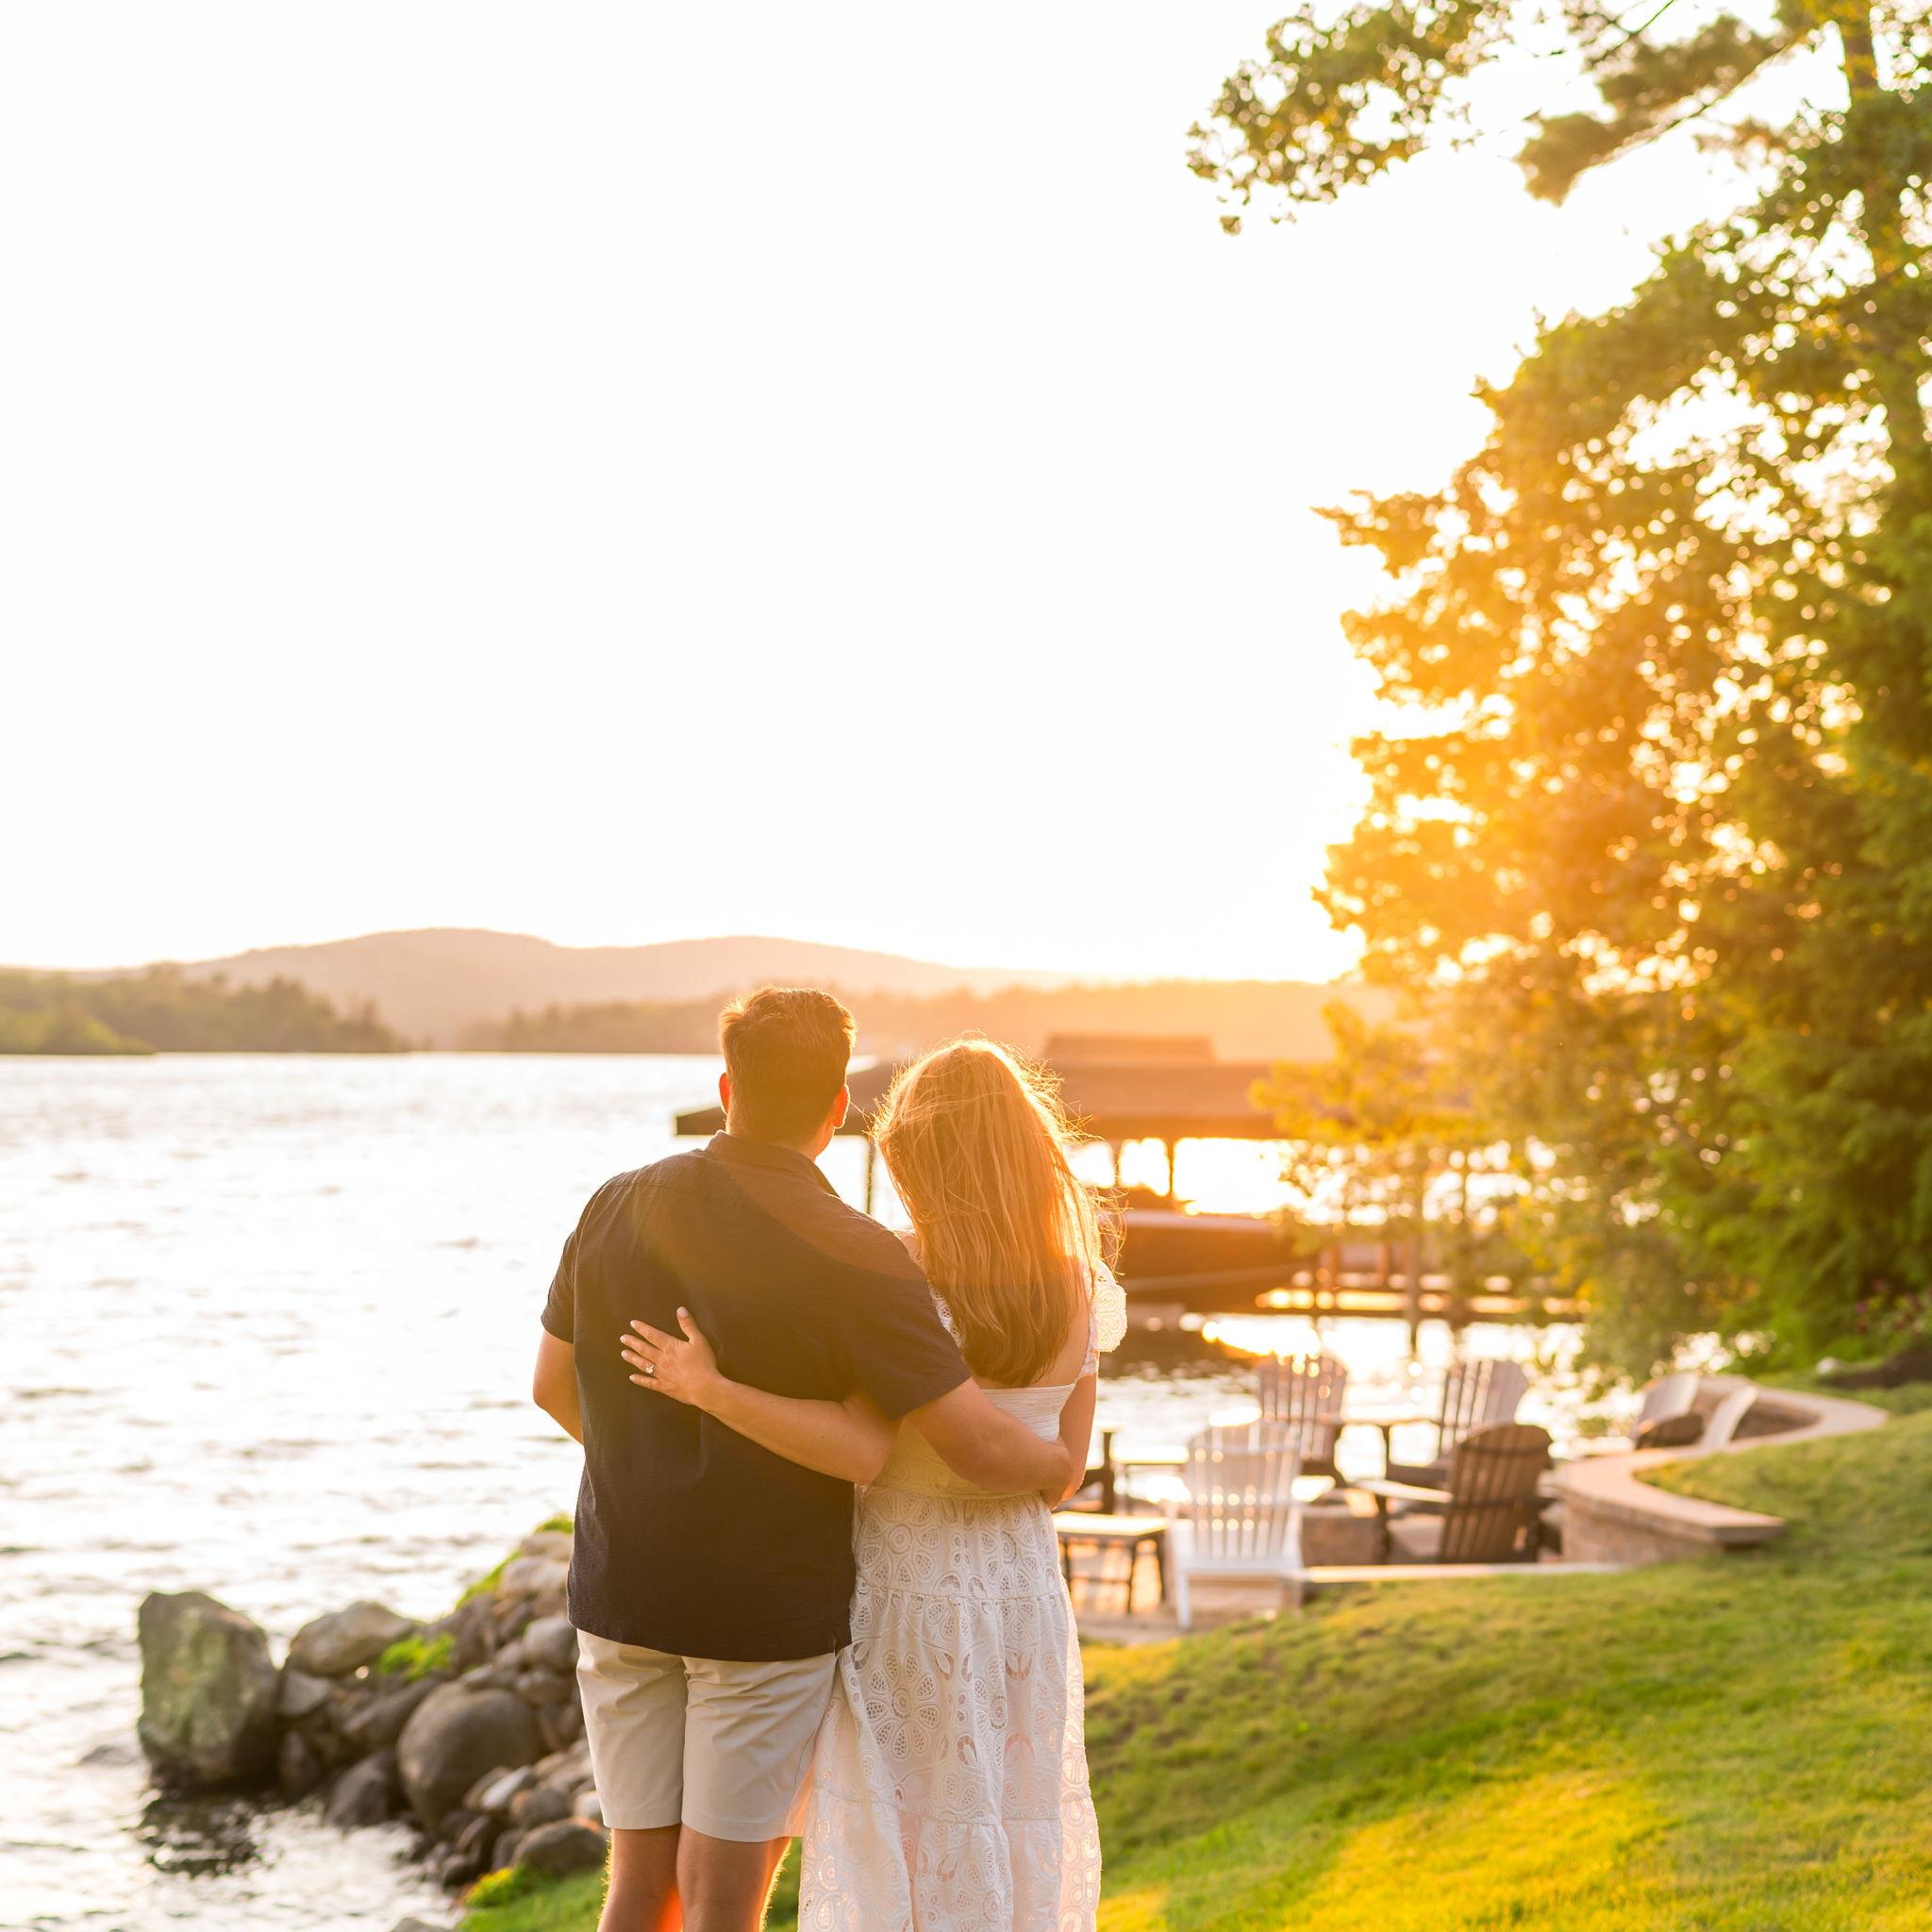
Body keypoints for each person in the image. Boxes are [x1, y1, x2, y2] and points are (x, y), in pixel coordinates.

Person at [531, 989, 1083, 1932]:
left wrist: (654, 1464)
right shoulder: (853, 1249)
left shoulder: (615, 1201)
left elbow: (552, 1385)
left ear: (725, 1087)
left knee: (640, 1887)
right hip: (758, 1606)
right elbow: (871, 1447)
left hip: (622, 1585)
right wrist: (1056, 1464)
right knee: (721, 1901)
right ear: (837, 1106)